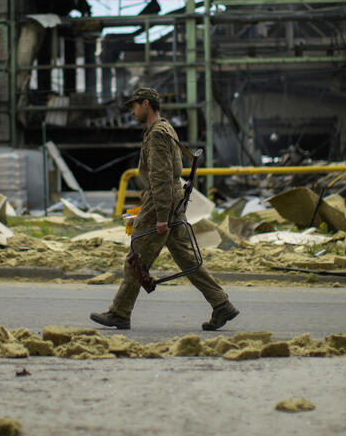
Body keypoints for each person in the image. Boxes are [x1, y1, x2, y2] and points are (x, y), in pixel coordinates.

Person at [91, 87, 239, 331]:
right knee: (187, 258)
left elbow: (160, 176)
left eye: (134, 105)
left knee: (135, 259)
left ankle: (119, 312)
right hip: (172, 200)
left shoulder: (157, 134)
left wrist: (160, 217)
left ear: (146, 104)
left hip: (161, 203)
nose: (132, 110)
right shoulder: (166, 128)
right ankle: (221, 304)